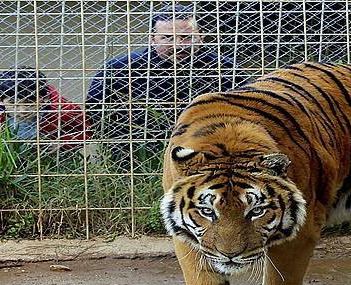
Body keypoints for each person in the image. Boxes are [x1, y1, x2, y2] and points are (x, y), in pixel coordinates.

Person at [85, 3, 246, 169]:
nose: (179, 46)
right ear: (152, 39)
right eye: (168, 38)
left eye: (187, 37)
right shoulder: (120, 69)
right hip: (136, 157)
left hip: (209, 156)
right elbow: (96, 111)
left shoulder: (225, 68)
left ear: (201, 36)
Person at [0, 67, 91, 153]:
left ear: (44, 98)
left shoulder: (64, 109)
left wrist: (63, 144)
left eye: (30, 103)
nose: (22, 110)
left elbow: (87, 132)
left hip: (50, 158)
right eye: (13, 104)